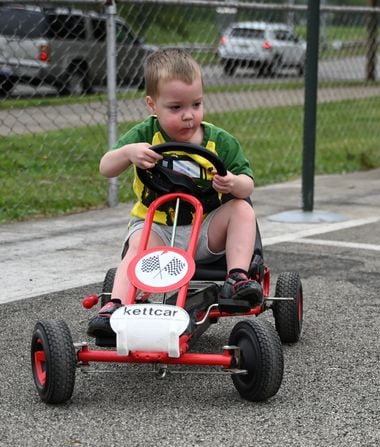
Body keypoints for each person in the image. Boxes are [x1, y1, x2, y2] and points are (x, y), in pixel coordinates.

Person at [87, 48, 263, 338]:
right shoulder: (145, 135)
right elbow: (106, 167)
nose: (188, 116)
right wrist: (129, 153)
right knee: (137, 244)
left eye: (196, 104)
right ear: (152, 105)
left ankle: (237, 278)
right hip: (155, 228)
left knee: (242, 208)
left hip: (205, 232)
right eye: (176, 108)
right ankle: (115, 306)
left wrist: (232, 182)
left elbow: (248, 184)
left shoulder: (219, 141)